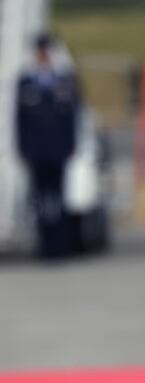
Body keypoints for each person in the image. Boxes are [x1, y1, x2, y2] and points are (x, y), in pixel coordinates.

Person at [15, 33, 81, 259]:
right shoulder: (26, 81)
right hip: (36, 151)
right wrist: (22, 149)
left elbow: (72, 117)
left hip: (58, 150)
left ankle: (60, 247)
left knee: (59, 200)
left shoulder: (64, 81)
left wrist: (72, 145)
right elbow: (20, 120)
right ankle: (44, 247)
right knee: (41, 201)